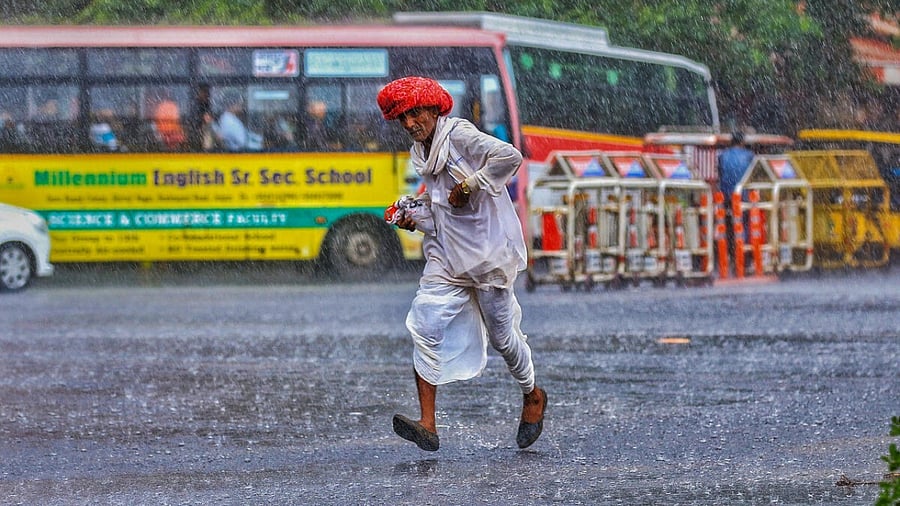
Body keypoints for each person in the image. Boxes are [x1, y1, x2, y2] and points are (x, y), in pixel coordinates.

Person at [377, 76, 547, 451]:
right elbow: (441, 209)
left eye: (415, 114)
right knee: (425, 323)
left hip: (487, 255)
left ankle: (533, 394)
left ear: (434, 109)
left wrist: (471, 184)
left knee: (504, 339)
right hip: (446, 256)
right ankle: (427, 423)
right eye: (402, 118)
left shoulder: (460, 135)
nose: (409, 124)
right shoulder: (420, 152)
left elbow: (510, 157)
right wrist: (412, 217)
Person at [717, 131, 755, 268]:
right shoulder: (750, 156)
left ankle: (730, 255)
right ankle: (745, 258)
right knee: (745, 224)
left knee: (729, 225)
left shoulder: (722, 156)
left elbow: (721, 175)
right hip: (744, 196)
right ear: (743, 142)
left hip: (726, 196)